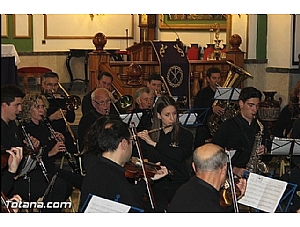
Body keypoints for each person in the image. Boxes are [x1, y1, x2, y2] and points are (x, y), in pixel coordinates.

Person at [1, 84, 68, 212]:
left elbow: (19, 150)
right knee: (57, 186)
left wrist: (30, 147)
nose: (20, 109)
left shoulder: (13, 126)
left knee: (59, 185)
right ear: (4, 105)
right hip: (8, 180)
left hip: (19, 175)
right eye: (17, 105)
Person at [79, 119, 169, 212]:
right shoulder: (114, 179)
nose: (133, 145)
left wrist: (148, 179)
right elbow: (132, 206)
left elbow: (127, 195)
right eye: (132, 141)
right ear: (124, 144)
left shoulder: (97, 168)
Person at [137, 95, 194, 210]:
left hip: (178, 181)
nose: (172, 118)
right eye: (167, 115)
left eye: (174, 114)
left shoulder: (185, 135)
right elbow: (139, 158)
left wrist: (154, 144)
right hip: (157, 183)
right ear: (159, 116)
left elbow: (179, 155)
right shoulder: (150, 134)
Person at [19, 92, 82, 190]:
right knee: (67, 186)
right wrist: (51, 152)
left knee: (78, 180)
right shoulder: (26, 128)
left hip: (50, 166)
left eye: (43, 106)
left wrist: (58, 139)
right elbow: (32, 157)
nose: (41, 110)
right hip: (39, 169)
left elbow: (47, 144)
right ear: (28, 109)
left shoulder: (43, 124)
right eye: (37, 107)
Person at [168, 143, 247, 212]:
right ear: (224, 169)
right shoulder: (211, 207)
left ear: (194, 167)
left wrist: (233, 197)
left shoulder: (184, 190)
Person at [212, 86, 271, 178]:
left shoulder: (261, 126)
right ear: (241, 104)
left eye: (257, 105)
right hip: (231, 175)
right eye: (250, 105)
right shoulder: (227, 126)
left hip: (255, 174)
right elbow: (215, 154)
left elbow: (269, 156)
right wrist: (234, 169)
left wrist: (265, 150)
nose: (255, 110)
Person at [41, 72, 78, 158]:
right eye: (50, 85)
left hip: (63, 133)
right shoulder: (40, 100)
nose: (53, 88)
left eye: (55, 85)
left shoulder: (62, 99)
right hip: (47, 135)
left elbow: (71, 119)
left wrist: (67, 106)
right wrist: (51, 117)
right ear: (43, 85)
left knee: (76, 145)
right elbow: (36, 122)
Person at [193, 66, 225, 149]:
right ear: (208, 79)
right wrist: (212, 109)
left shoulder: (224, 93)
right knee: (201, 132)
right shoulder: (202, 93)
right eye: (214, 78)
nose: (217, 81)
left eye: (218, 78)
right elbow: (197, 110)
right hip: (206, 126)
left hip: (221, 125)